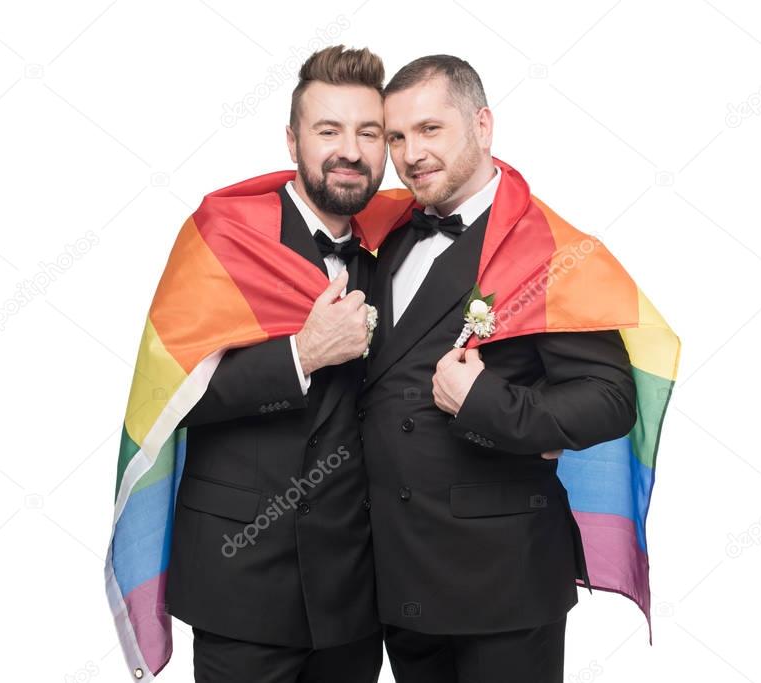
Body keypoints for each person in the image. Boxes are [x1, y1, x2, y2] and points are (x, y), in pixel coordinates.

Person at [359, 54, 638, 683]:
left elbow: (611, 398)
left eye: (431, 129)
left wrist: (485, 400)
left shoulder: (547, 248)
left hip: (504, 581)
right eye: (396, 137)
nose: (410, 154)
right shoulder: (388, 237)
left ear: (482, 126)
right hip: (401, 578)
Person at [164, 45, 386, 682]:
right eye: (328, 130)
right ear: (292, 141)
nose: (349, 149)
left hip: (357, 592)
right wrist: (301, 354)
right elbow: (175, 394)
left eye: (367, 132)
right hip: (241, 578)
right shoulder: (223, 235)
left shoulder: (396, 254)